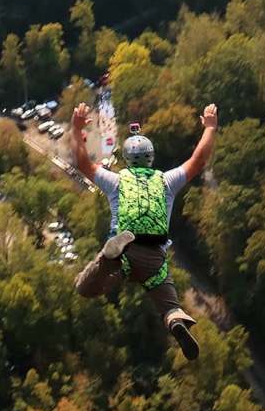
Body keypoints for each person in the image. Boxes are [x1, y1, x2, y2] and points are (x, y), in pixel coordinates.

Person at [70, 101, 219, 360]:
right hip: (154, 258)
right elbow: (198, 160)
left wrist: (76, 130)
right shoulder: (167, 181)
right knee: (169, 307)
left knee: (85, 288)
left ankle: (109, 257)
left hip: (124, 254)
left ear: (127, 160)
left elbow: (83, 164)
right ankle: (175, 320)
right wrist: (210, 127)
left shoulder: (116, 180)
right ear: (151, 159)